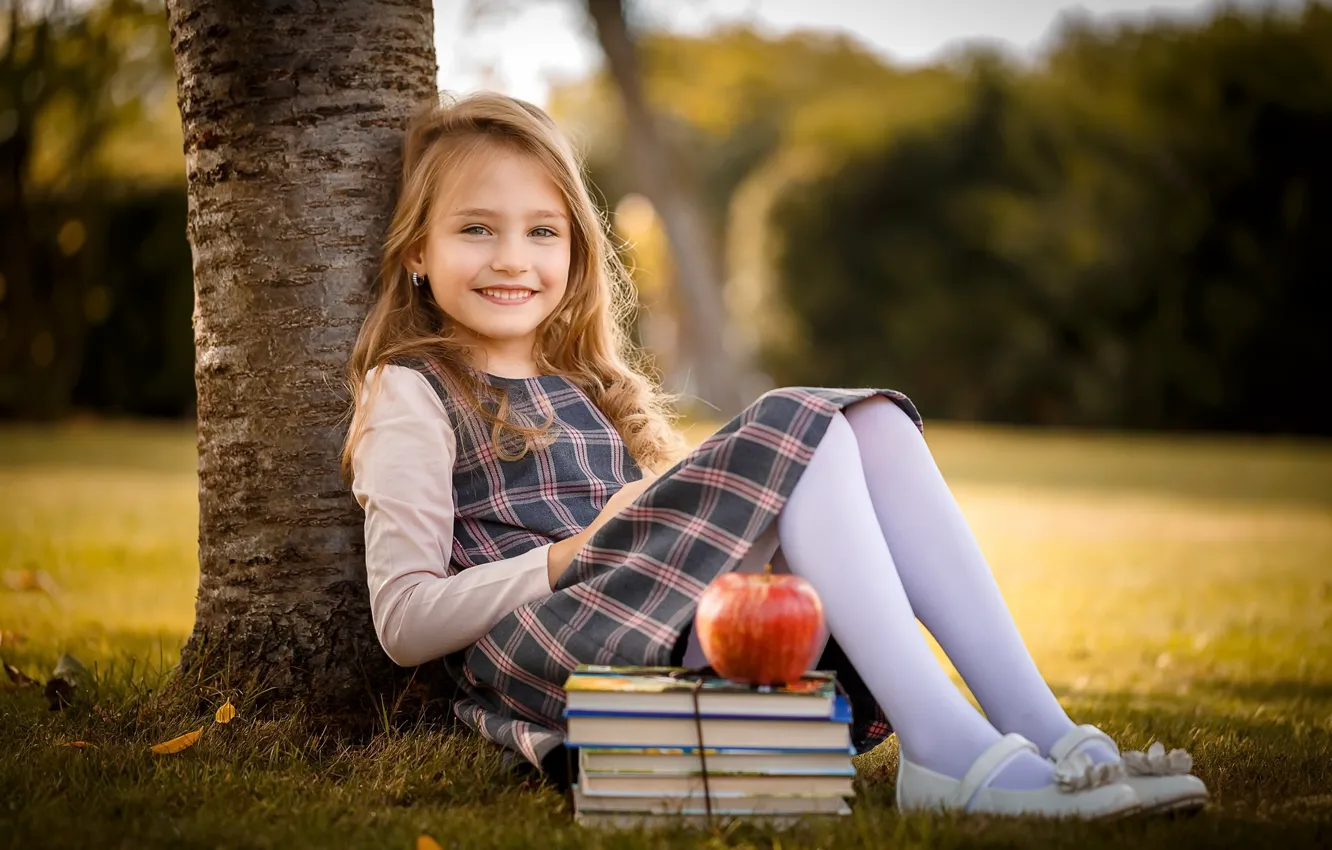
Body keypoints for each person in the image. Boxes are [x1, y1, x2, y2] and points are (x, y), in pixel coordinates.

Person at [342, 91, 1207, 818]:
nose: (512, 260)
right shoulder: (413, 390)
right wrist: (566, 555)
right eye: (476, 231)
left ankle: (1050, 733)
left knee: (869, 423)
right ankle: (948, 752)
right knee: (803, 418)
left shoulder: (585, 384)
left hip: (654, 620)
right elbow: (405, 622)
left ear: (573, 250)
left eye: (542, 233)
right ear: (417, 249)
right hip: (550, 650)